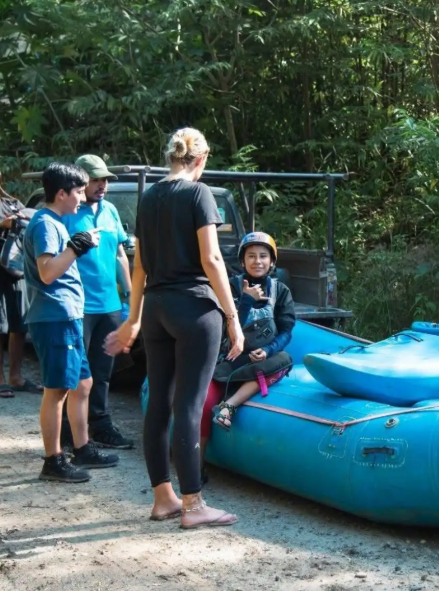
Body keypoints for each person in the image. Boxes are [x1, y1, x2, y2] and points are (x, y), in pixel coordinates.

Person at [105, 127, 243, 529]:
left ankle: (163, 497)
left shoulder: (148, 197)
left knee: (159, 404)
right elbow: (212, 260)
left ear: (171, 157)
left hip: (157, 310)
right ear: (201, 159)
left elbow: (139, 265)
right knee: (188, 405)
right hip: (194, 309)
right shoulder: (198, 194)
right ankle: (194, 504)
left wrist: (133, 319)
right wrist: (233, 318)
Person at [25, 163, 119, 482]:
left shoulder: (57, 222)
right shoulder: (45, 223)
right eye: (78, 191)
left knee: (83, 383)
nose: (81, 197)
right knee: (57, 390)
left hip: (69, 315)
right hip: (54, 316)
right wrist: (78, 246)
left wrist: (77, 243)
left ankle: (82, 448)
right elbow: (48, 272)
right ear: (62, 193)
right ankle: (53, 460)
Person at [199, 231, 296, 481]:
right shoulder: (230, 286)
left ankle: (229, 406)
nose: (257, 261)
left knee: (284, 359)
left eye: (263, 256)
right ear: (242, 261)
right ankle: (195, 468)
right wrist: (245, 301)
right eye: (251, 256)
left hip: (260, 360)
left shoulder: (281, 291)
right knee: (204, 403)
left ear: (272, 262)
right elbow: (224, 326)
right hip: (228, 359)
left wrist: (269, 349)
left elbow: (286, 331)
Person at [58, 155, 134, 450]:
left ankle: (100, 425)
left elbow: (119, 254)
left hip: (109, 304)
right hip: (78, 305)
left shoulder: (111, 210)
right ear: (79, 181)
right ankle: (67, 431)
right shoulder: (67, 211)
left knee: (103, 372)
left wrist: (128, 295)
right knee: (74, 372)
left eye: (105, 179)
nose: (102, 185)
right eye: (96, 179)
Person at [0, 173, 41, 398]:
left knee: (19, 325)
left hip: (16, 270)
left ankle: (15, 376)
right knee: (0, 326)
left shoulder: (12, 202)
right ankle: (0, 379)